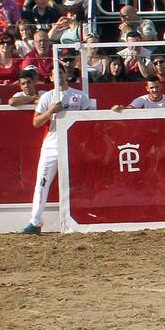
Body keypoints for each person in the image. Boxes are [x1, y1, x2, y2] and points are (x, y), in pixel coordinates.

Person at [22, 67, 127, 234]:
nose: (59, 76)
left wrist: (111, 111)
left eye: (61, 73)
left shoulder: (79, 96)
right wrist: (51, 111)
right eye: (55, 74)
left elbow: (91, 119)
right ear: (51, 77)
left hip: (75, 145)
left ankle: (89, 217)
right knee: (42, 182)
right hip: (52, 145)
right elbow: (36, 122)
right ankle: (35, 221)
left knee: (83, 182)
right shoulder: (47, 97)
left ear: (66, 75)